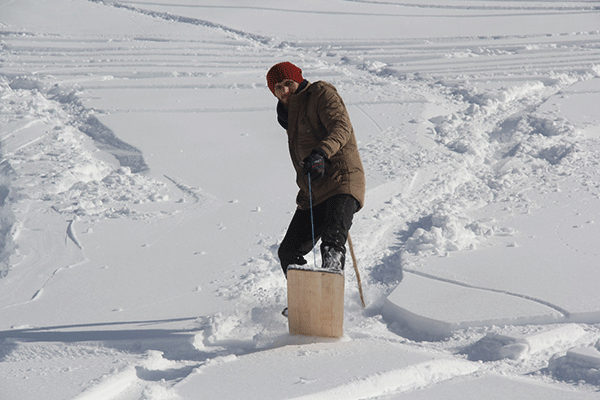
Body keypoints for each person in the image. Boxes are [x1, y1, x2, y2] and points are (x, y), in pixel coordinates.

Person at [266, 61, 365, 277]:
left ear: (299, 79)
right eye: (278, 88)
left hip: (341, 181)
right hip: (313, 191)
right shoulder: (287, 115)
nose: (284, 91)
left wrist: (321, 153)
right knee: (288, 252)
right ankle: (305, 303)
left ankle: (329, 303)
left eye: (288, 83)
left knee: (332, 240)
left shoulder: (321, 94)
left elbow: (341, 127)